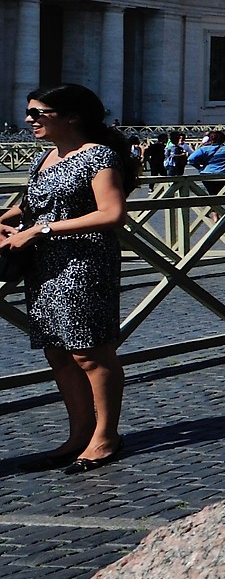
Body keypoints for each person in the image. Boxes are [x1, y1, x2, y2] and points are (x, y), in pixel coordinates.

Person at [0, 84, 139, 471]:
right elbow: (33, 204)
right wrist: (8, 220)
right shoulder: (45, 158)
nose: (29, 120)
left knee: (90, 352)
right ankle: (79, 433)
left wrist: (41, 230)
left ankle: (106, 435)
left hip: (84, 262)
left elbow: (111, 213)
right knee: (58, 353)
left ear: (72, 116)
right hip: (44, 266)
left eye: (38, 113)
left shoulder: (99, 156)